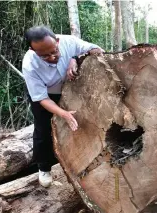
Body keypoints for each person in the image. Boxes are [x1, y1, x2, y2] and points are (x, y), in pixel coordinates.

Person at [22, 26, 103, 187]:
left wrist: (75, 57)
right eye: (44, 56)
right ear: (32, 50)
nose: (52, 57)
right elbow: (42, 98)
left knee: (83, 122)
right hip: (46, 94)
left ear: (57, 42)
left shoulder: (69, 42)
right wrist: (63, 113)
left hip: (71, 88)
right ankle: (44, 167)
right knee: (43, 129)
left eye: (54, 51)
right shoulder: (29, 65)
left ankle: (84, 161)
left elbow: (97, 50)